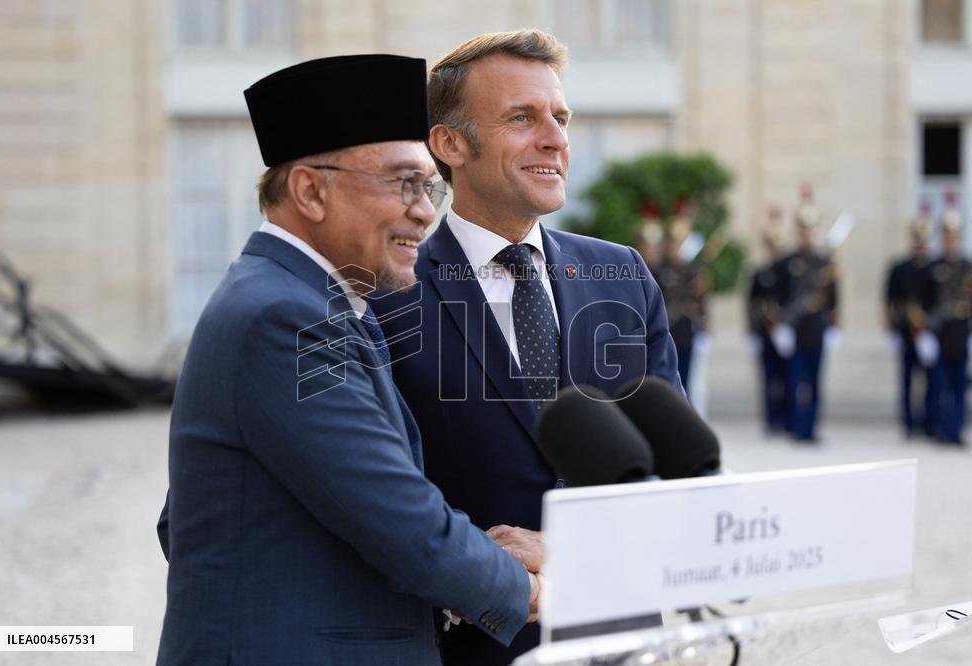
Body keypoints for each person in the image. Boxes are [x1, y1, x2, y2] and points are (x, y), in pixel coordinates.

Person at [155, 55, 542, 666]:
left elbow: (189, 525)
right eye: (402, 183)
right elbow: (402, 524)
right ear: (311, 189)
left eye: (429, 186)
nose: (425, 210)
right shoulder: (284, 316)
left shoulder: (303, 299)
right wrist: (531, 587)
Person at [369, 30, 684, 666]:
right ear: (449, 144)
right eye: (522, 117)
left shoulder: (620, 274)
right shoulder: (382, 290)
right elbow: (365, 499)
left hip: (622, 637)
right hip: (468, 648)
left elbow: (675, 476)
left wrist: (576, 546)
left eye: (560, 118)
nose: (555, 139)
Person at [777, 195, 839, 442]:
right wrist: (780, 326)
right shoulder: (787, 263)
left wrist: (834, 326)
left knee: (814, 381)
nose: (806, 234)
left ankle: (812, 428)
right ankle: (795, 426)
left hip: (817, 328)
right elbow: (779, 297)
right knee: (794, 380)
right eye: (803, 229)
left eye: (810, 230)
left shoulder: (825, 262)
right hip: (794, 329)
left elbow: (833, 296)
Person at [921, 208, 971, 445]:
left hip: (961, 334)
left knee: (959, 386)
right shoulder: (932, 268)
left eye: (954, 236)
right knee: (940, 386)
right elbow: (923, 304)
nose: (950, 240)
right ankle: (940, 428)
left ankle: (956, 430)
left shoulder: (967, 267)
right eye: (947, 236)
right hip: (939, 334)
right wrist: (924, 335)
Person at [653, 205, 710, 391]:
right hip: (666, 330)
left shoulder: (693, 271)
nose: (674, 248)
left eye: (678, 244)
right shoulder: (658, 270)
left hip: (686, 330)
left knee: (687, 382)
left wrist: (705, 327)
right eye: (672, 243)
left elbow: (700, 303)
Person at [884, 216, 932, 437]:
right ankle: (909, 423)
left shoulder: (933, 267)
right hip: (905, 329)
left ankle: (928, 420)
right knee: (907, 378)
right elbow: (889, 300)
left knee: (931, 379)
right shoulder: (900, 268)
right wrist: (892, 327)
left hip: (929, 331)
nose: (920, 244)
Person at [748, 207, 788, 434]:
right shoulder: (760, 272)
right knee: (769, 377)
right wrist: (752, 330)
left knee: (787, 377)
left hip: (784, 330)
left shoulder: (788, 270)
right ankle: (771, 420)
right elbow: (752, 303)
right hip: (766, 329)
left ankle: (786, 418)